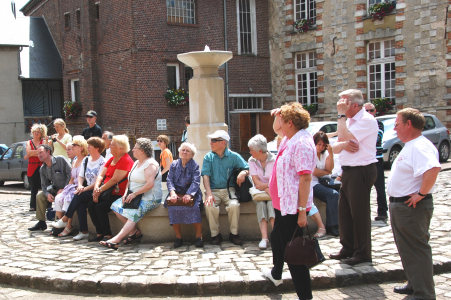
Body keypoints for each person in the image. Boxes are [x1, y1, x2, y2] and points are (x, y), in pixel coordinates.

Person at [261, 102, 316, 300]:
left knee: (295, 255)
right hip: (282, 204)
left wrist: (302, 211)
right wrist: (279, 113)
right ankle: (276, 272)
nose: (277, 124)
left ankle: (305, 296)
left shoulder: (301, 143)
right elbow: (276, 129)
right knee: (277, 238)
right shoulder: (289, 138)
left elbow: (305, 178)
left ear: (290, 123)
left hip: (292, 207)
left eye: (281, 120)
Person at [387, 108, 440, 300]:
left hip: (411, 207)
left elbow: (433, 168)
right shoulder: (412, 145)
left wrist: (421, 193)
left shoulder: (419, 146)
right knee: (407, 248)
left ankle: (424, 293)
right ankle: (415, 283)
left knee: (416, 249)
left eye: (397, 124)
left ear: (408, 124)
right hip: (401, 206)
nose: (394, 128)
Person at [330, 89, 378, 266]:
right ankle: (348, 247)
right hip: (348, 170)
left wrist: (341, 116)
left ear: (355, 105)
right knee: (345, 212)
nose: (340, 105)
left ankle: (363, 252)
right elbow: (335, 146)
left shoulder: (366, 120)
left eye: (344, 102)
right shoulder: (349, 121)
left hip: (362, 170)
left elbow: (342, 136)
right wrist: (343, 144)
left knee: (359, 213)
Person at [101, 138, 162, 249]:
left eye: (135, 148)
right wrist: (125, 194)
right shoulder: (137, 163)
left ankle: (116, 240)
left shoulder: (151, 164)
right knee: (115, 206)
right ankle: (134, 232)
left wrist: (134, 194)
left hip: (149, 197)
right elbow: (129, 180)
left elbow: (150, 184)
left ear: (142, 150)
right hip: (134, 195)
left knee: (133, 214)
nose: (132, 150)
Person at [50, 137, 106, 240]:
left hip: (97, 190)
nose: (87, 147)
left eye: (90, 145)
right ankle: (83, 231)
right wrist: (80, 185)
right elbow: (81, 176)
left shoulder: (102, 162)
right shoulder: (86, 160)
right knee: (81, 202)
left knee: (79, 195)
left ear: (97, 148)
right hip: (86, 189)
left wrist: (84, 189)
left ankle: (65, 219)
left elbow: (99, 180)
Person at [202, 130, 249, 246]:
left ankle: (234, 233)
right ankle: (215, 235)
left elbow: (247, 167)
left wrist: (243, 172)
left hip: (230, 190)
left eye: (213, 141)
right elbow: (205, 176)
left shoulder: (234, 156)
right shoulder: (208, 157)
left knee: (234, 205)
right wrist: (209, 194)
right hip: (213, 190)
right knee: (209, 205)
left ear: (222, 143)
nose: (210, 143)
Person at [89, 135, 134, 242]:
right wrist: (96, 189)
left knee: (100, 207)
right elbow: (101, 175)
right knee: (91, 205)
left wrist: (99, 191)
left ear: (120, 148)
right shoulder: (111, 159)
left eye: (112, 145)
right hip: (106, 191)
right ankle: (100, 232)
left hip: (118, 194)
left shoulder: (125, 160)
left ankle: (107, 234)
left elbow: (114, 180)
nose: (109, 146)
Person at [164, 142, 203, 248]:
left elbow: (196, 181)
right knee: (172, 208)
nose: (185, 152)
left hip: (192, 193)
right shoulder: (174, 164)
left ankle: (199, 236)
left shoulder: (194, 165)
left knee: (195, 208)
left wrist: (189, 194)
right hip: (176, 193)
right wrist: (172, 193)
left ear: (192, 155)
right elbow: (169, 180)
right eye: (183, 150)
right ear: (179, 152)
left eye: (187, 151)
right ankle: (178, 237)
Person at [28, 144, 71, 231]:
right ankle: (41, 222)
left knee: (58, 198)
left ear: (48, 152)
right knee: (40, 196)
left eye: (41, 152)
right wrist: (47, 194)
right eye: (38, 153)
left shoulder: (60, 160)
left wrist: (65, 188)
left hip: (68, 189)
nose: (39, 155)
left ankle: (57, 223)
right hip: (55, 190)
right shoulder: (42, 169)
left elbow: (70, 174)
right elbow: (44, 185)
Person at [52, 137, 88, 237]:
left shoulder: (86, 160)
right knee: (59, 197)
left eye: (74, 146)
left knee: (69, 199)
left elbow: (85, 179)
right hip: (73, 186)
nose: (72, 147)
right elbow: (72, 179)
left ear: (81, 148)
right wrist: (66, 189)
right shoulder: (74, 161)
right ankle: (62, 223)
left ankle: (68, 226)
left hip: (81, 187)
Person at [247, 134, 276, 249]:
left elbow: (277, 181)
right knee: (260, 204)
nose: (250, 152)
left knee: (271, 204)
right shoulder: (252, 161)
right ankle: (264, 238)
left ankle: (275, 236)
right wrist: (266, 187)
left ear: (259, 151)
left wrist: (265, 186)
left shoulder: (275, 160)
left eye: (251, 150)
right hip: (261, 193)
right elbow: (256, 181)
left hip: (273, 191)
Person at [312, 131, 340, 237]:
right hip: (313, 183)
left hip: (324, 181)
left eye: (323, 145)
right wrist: (327, 172)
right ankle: (332, 226)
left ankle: (340, 223)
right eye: (319, 144)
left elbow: (330, 168)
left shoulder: (325, 154)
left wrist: (331, 153)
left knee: (340, 192)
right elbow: (313, 171)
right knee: (333, 194)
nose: (320, 147)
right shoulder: (311, 154)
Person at [364, 102, 388, 221]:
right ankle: (364, 214)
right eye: (366, 110)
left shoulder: (379, 124)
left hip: (377, 160)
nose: (369, 113)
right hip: (364, 161)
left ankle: (383, 212)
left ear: (375, 111)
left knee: (380, 188)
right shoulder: (360, 124)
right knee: (364, 191)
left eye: (371, 110)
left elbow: (377, 138)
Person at [25, 123, 48, 212]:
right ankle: (33, 205)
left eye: (38, 132)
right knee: (33, 188)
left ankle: (46, 204)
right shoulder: (29, 142)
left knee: (45, 186)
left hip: (42, 165)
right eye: (35, 132)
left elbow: (44, 152)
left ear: (41, 133)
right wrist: (38, 152)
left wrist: (31, 154)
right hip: (32, 166)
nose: (36, 133)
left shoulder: (43, 142)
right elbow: (28, 151)